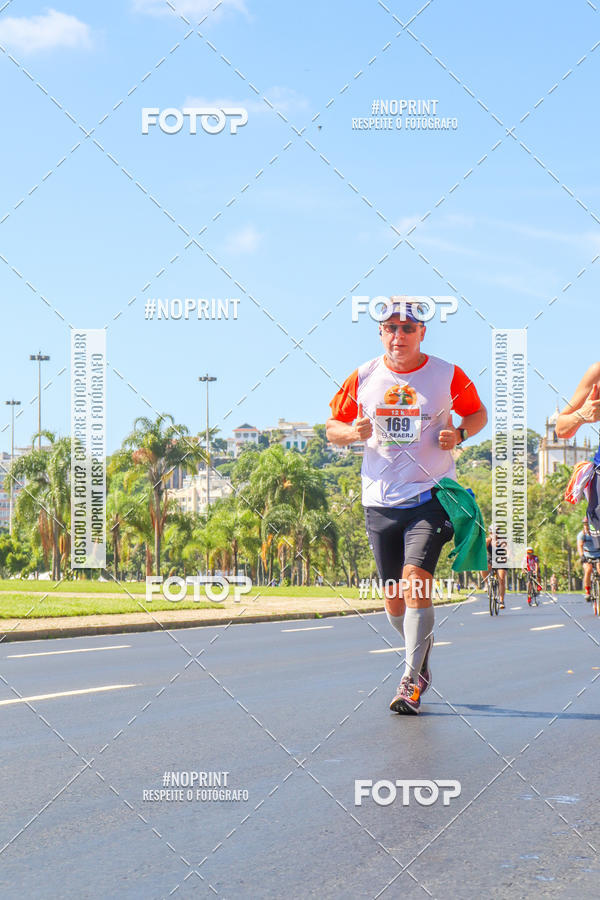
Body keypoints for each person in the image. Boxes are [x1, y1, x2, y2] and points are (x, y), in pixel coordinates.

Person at [326, 297, 487, 714]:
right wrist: (351, 432)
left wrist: (460, 435)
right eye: (391, 328)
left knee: (416, 581)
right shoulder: (362, 376)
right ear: (381, 333)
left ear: (422, 333)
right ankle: (421, 656)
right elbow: (331, 428)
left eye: (408, 328)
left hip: (430, 495)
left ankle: (410, 681)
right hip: (379, 500)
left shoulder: (447, 374)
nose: (399, 336)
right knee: (394, 600)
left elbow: (476, 414)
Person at [484, 524, 508, 609]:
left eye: (497, 532)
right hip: (490, 559)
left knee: (501, 579)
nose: (495, 534)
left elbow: (508, 551)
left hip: (501, 560)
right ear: (490, 532)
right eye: (493, 532)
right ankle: (487, 583)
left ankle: (501, 601)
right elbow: (482, 549)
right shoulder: (488, 540)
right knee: (483, 565)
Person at [577, 517, 600, 600]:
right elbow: (580, 546)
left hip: (598, 555)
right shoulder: (582, 535)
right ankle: (587, 591)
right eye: (585, 525)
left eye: (588, 525)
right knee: (588, 569)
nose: (587, 527)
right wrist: (582, 556)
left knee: (599, 568)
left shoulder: (597, 533)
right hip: (587, 556)